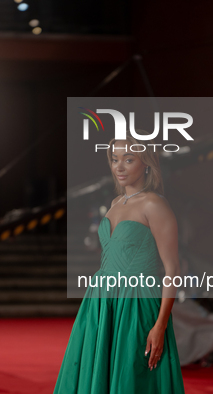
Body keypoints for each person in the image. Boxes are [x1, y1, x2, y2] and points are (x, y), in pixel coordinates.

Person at [54, 135, 185, 393]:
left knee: (130, 377)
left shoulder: (154, 204)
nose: (119, 167)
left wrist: (160, 325)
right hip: (101, 299)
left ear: (145, 163)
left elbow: (172, 269)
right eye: (115, 160)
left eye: (129, 159)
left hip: (136, 301)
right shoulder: (114, 203)